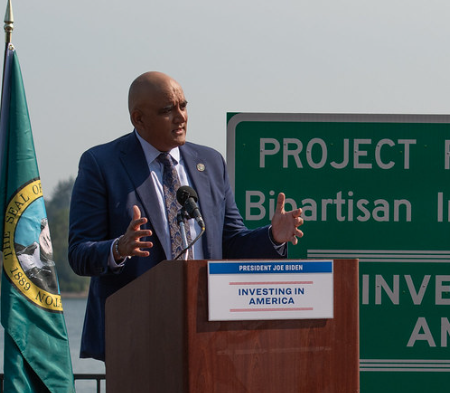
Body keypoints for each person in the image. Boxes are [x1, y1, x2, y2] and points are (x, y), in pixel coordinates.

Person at [68, 71, 303, 361]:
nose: (180, 117)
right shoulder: (101, 165)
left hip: (208, 331)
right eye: (167, 110)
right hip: (136, 339)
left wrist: (272, 236)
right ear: (138, 119)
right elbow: (79, 253)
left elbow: (230, 243)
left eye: (183, 105)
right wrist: (119, 248)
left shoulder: (211, 163)